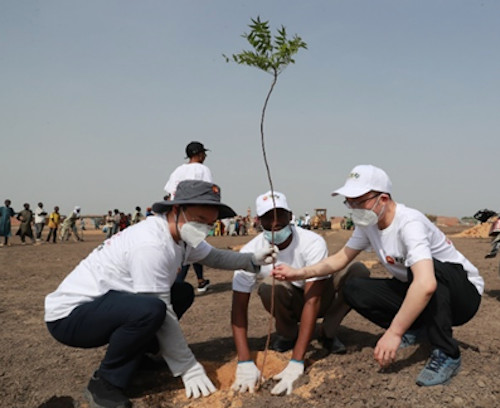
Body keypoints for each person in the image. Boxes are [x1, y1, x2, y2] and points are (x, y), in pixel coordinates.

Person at [44, 180, 277, 408]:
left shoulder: (182, 236)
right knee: (151, 310)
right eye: (199, 219)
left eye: (210, 222)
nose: (205, 228)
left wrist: (250, 260)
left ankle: (138, 358)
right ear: (176, 209)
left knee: (182, 292)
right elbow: (160, 310)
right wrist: (187, 366)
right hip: (70, 317)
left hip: (108, 305)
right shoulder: (151, 244)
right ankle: (104, 383)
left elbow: (213, 256)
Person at [273, 164, 484, 387]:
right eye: (349, 203)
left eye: (359, 202)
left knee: (429, 270)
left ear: (383, 199)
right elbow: (340, 259)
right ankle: (418, 329)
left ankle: (446, 353)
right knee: (354, 288)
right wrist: (299, 272)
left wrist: (394, 332)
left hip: (462, 297)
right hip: (421, 288)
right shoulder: (368, 224)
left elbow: (426, 284)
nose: (353, 208)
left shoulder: (409, 223)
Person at [231, 190, 367, 396]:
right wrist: (244, 360)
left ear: (290, 216)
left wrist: (296, 361)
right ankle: (287, 334)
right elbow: (238, 307)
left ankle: (328, 331)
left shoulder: (311, 242)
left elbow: (313, 300)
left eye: (280, 215)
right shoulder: (250, 251)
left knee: (359, 272)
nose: (275, 223)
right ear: (259, 220)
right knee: (269, 285)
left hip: (319, 296)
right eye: (268, 217)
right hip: (290, 299)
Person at [165, 141, 213, 292]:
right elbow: (207, 192)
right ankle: (176, 286)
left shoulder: (178, 170)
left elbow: (169, 191)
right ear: (198, 154)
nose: (205, 156)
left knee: (191, 247)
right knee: (187, 251)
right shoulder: (203, 169)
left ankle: (200, 280)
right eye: (203, 153)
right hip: (192, 213)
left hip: (175, 213)